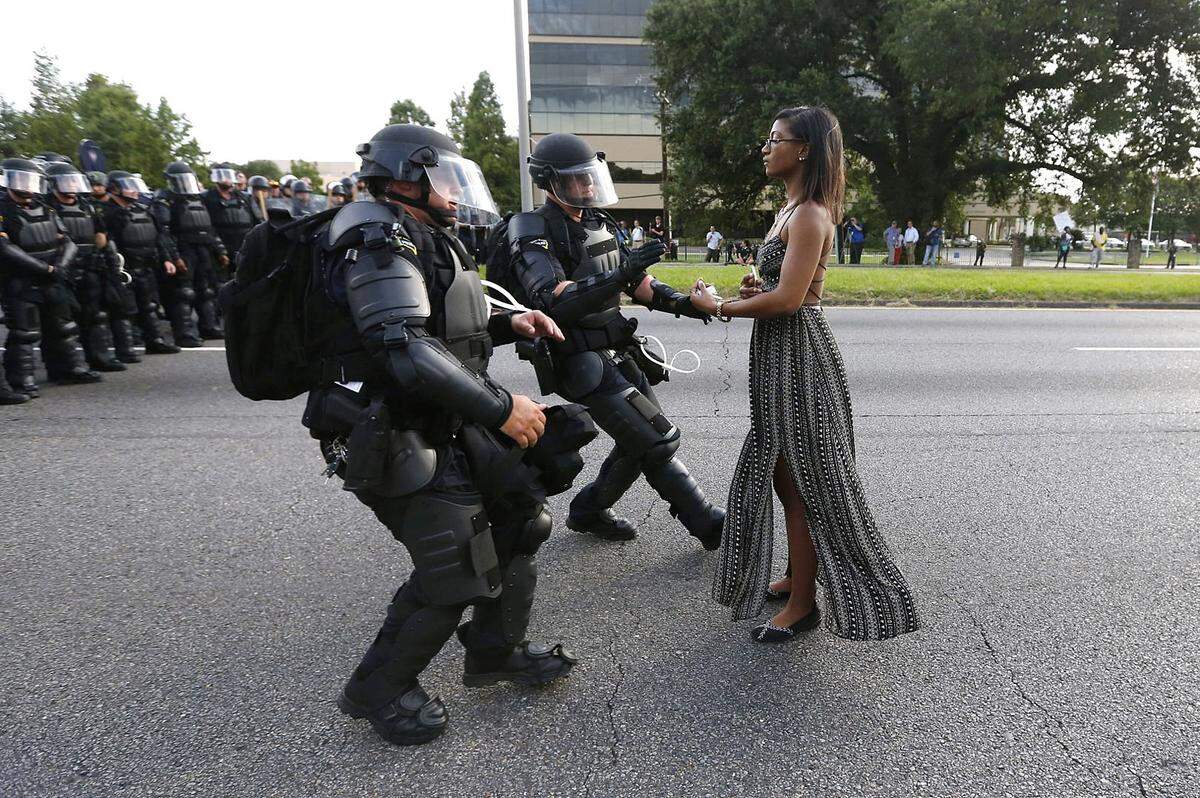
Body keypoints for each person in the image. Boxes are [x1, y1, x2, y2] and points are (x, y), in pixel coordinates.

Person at [298, 124, 582, 746]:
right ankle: (377, 688)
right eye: (444, 178)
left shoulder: (416, 232)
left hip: (437, 416)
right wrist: (503, 408)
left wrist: (512, 322)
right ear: (405, 177)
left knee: (520, 518)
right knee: (456, 564)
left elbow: (443, 325)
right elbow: (405, 348)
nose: (456, 192)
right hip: (388, 427)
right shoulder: (374, 236)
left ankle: (493, 649)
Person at [689, 105, 919, 643]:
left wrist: (718, 307)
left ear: (805, 149)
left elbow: (792, 300)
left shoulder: (812, 213)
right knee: (781, 472)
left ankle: (803, 604)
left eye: (776, 139)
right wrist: (754, 292)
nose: (766, 148)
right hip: (778, 353)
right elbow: (780, 289)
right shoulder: (788, 211)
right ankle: (798, 574)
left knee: (805, 481)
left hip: (800, 356)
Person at [506, 132, 725, 548]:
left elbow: (638, 282)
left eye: (591, 177)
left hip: (617, 349)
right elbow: (550, 298)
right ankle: (708, 524)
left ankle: (588, 511)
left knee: (640, 441)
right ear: (549, 182)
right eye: (577, 179)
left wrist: (686, 304)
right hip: (578, 358)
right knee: (656, 439)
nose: (588, 186)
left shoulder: (598, 222)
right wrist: (620, 276)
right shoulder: (531, 227)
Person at [1, 158, 102, 397]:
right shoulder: (4, 209)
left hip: (53, 275)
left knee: (63, 325)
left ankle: (69, 368)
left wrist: (59, 267)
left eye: (30, 180)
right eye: (20, 179)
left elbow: (67, 240)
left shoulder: (46, 207)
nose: (26, 186)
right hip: (21, 279)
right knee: (25, 332)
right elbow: (5, 248)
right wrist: (44, 269)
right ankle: (21, 379)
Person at [44, 161, 127, 372]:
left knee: (94, 315)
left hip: (89, 267)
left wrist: (106, 260)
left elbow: (101, 235)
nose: (71, 186)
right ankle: (64, 367)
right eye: (66, 181)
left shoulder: (87, 205)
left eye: (73, 181)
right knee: (62, 322)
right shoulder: (46, 207)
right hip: (61, 270)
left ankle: (99, 358)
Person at [103, 171, 181, 356]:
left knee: (150, 306)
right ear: (115, 188)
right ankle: (125, 349)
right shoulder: (108, 213)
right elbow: (106, 243)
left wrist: (167, 259)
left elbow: (159, 237)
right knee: (124, 310)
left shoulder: (143, 210)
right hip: (124, 268)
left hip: (146, 266)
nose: (135, 191)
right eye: (129, 187)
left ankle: (155, 341)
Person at [202, 164, 256, 262]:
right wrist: (220, 250)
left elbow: (258, 221)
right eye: (222, 176)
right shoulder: (206, 198)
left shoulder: (245, 197)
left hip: (245, 247)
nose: (225, 179)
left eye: (228, 175)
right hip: (221, 249)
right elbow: (206, 226)